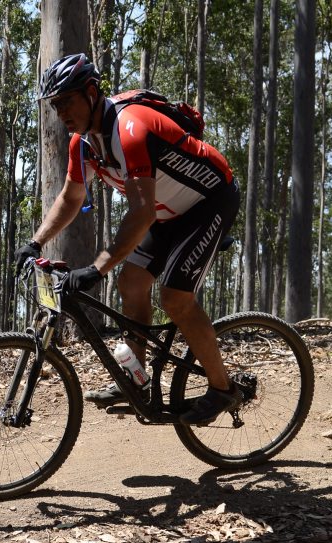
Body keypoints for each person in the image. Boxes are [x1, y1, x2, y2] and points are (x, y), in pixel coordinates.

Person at [13, 53, 242, 426]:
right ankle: (133, 379)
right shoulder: (83, 144)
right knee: (131, 281)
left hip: (209, 201)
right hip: (166, 211)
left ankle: (223, 388)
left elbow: (140, 212)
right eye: (55, 105)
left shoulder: (131, 128)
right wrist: (35, 243)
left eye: (66, 101)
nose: (61, 113)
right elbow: (71, 199)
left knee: (175, 298)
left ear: (90, 93)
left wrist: (96, 268)